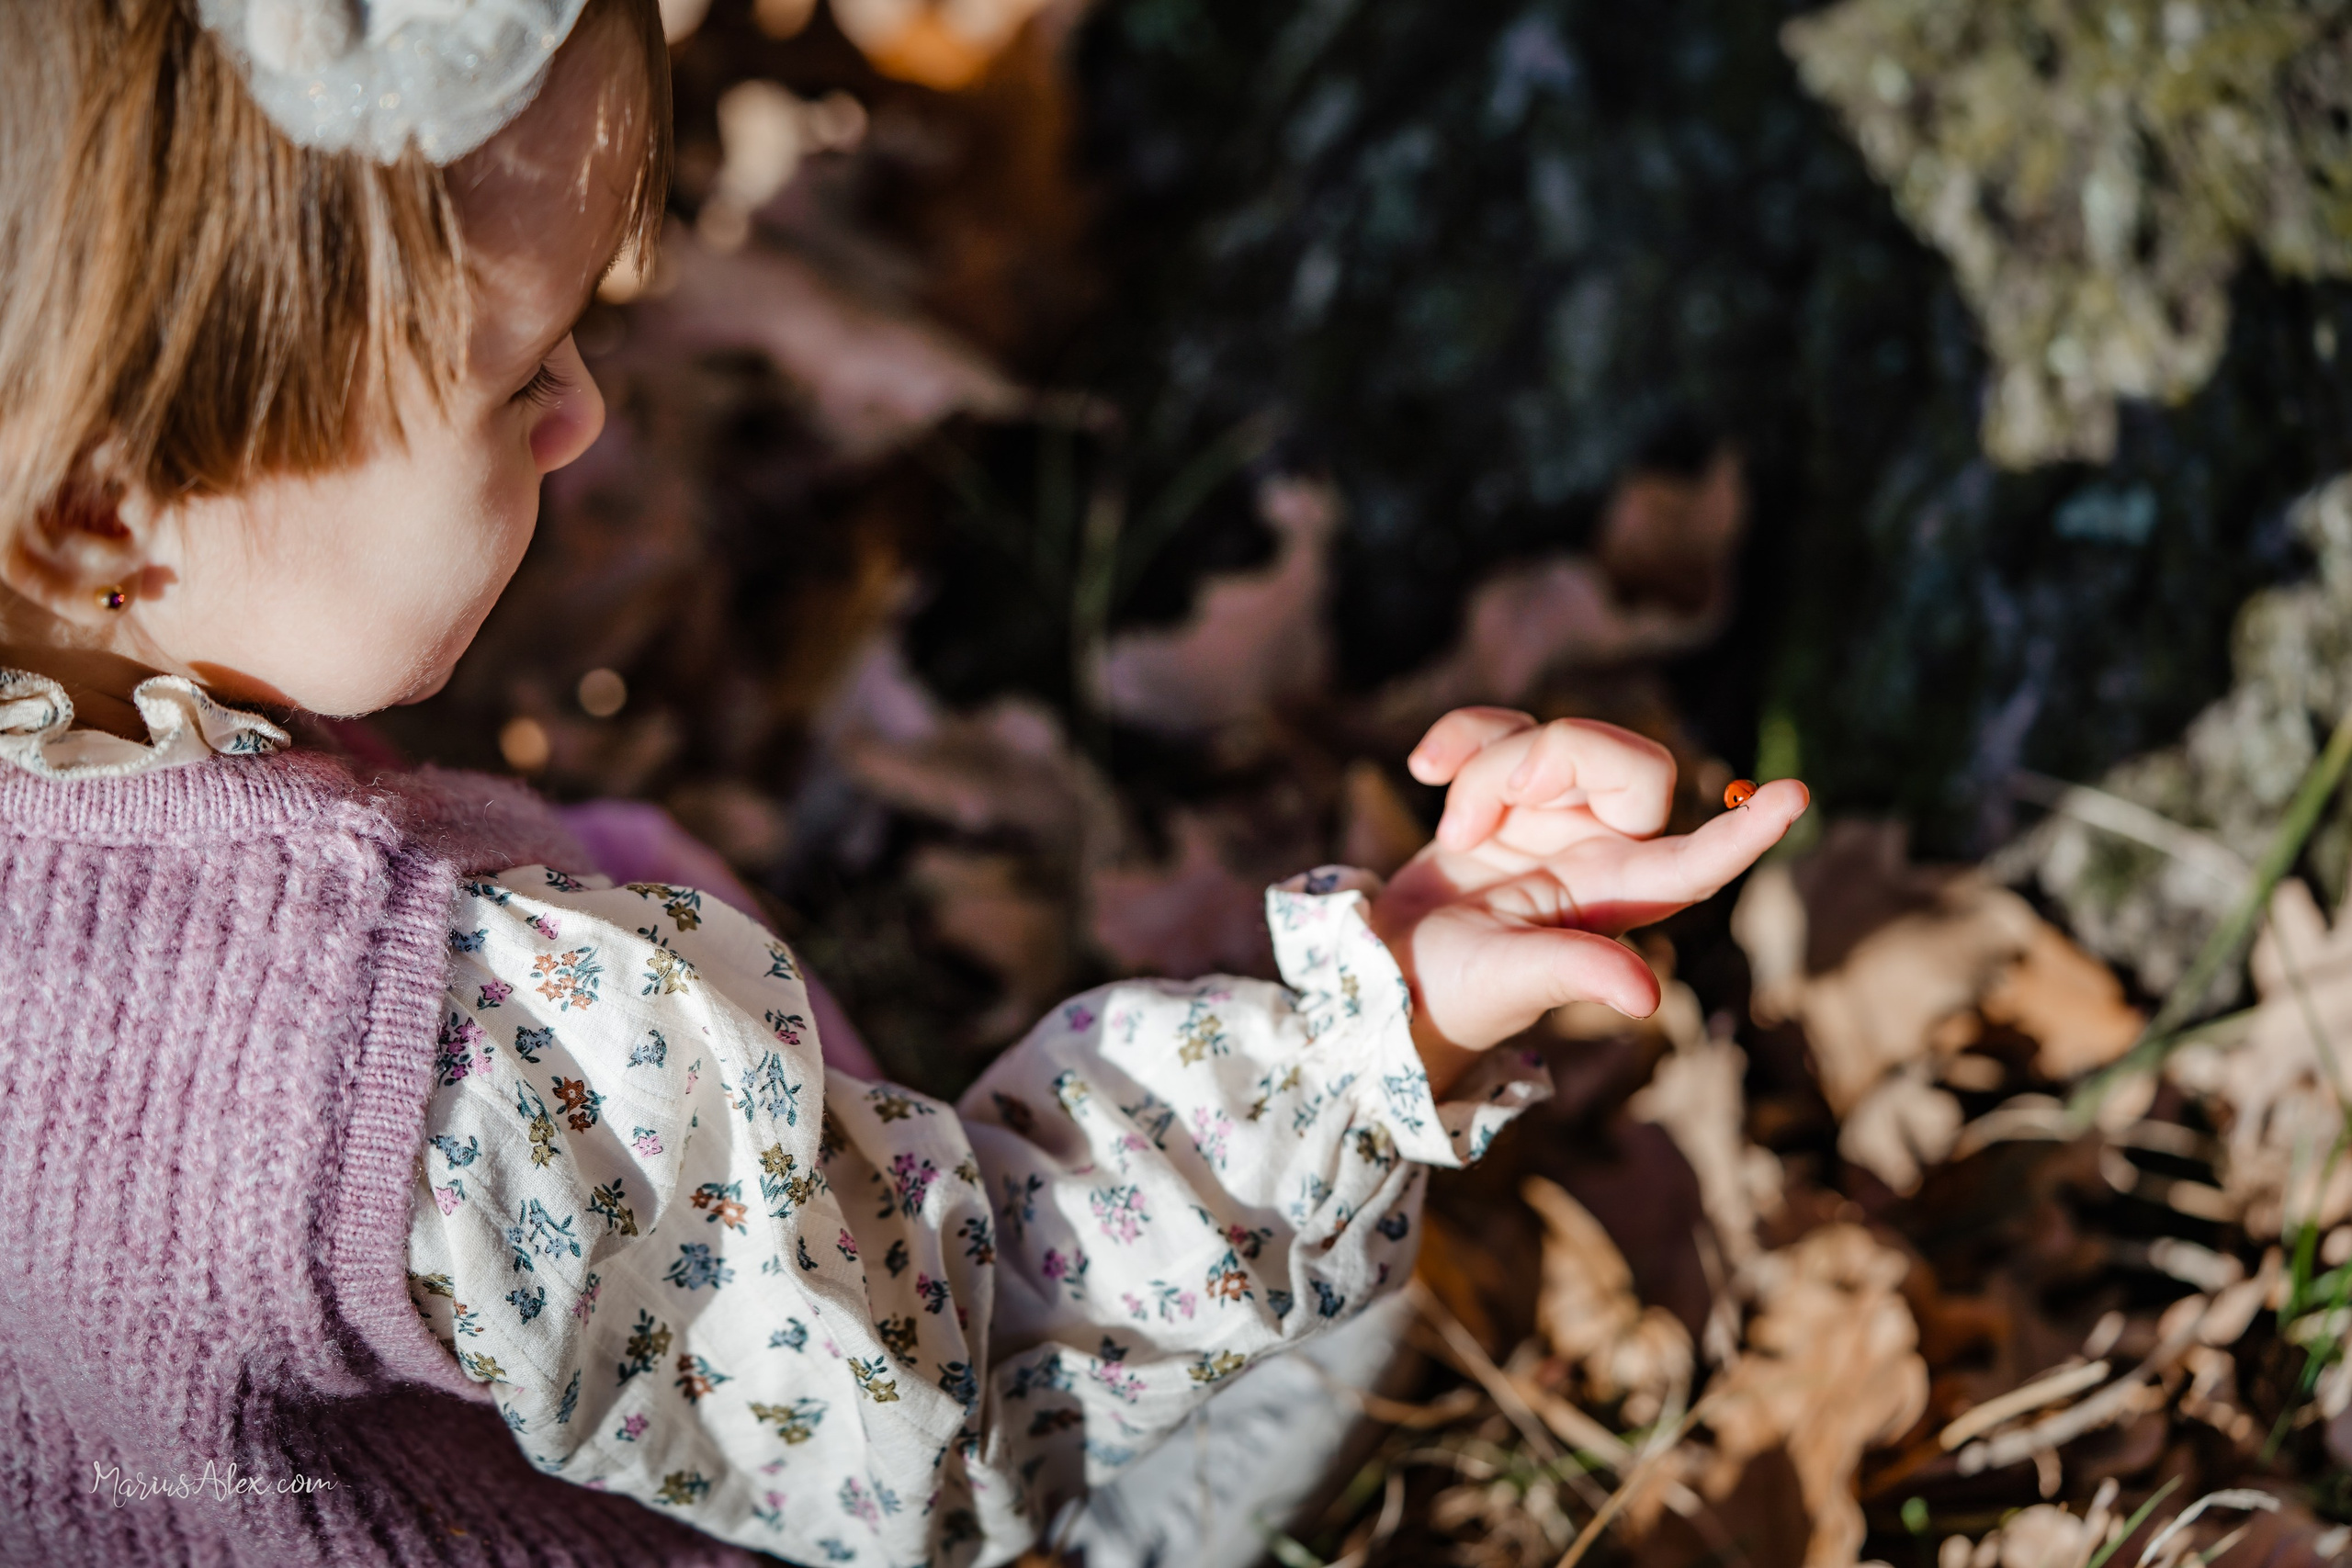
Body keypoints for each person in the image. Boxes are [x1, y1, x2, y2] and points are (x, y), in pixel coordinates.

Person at [0, 3, 1810, 1564]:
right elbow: (955, 1387)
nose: (583, 418)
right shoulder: (451, 1066)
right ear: (103, 512)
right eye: (515, 375)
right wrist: (1378, 1020)